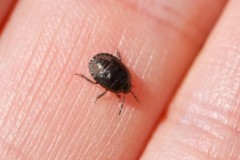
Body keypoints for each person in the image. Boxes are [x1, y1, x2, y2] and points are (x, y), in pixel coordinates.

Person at [0, 0, 237, 159]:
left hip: (108, 68)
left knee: (100, 83)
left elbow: (118, 69)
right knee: (99, 83)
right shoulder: (122, 83)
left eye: (127, 91)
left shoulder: (123, 82)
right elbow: (117, 70)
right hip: (107, 68)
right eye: (128, 90)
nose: (128, 90)